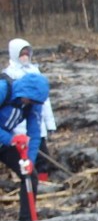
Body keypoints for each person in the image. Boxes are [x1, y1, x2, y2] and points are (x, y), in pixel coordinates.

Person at [0, 73, 50, 221]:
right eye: (30, 99)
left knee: (30, 175)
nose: (30, 102)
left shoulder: (32, 104)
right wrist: (11, 139)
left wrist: (29, 161)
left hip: (5, 143)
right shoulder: (3, 90)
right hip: (7, 139)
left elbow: (34, 133)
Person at [5, 39, 57, 182]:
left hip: (36, 124)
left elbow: (44, 103)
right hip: (16, 128)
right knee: (19, 157)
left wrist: (50, 123)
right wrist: (11, 136)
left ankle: (40, 182)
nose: (25, 55)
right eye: (22, 52)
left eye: (27, 52)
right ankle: (24, 179)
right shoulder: (9, 76)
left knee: (40, 155)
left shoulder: (35, 72)